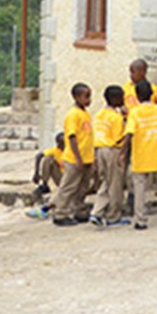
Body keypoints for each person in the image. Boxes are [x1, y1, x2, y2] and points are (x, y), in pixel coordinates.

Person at [125, 79, 157, 230]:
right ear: (151, 94)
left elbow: (129, 134)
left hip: (141, 156)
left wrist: (122, 153)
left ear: (137, 96)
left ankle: (140, 219)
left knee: (140, 188)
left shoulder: (134, 112)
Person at [51, 83, 96, 226]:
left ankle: (79, 211)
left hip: (87, 157)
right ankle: (60, 213)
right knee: (69, 186)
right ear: (77, 97)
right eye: (86, 97)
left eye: (90, 96)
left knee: (82, 187)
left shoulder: (85, 113)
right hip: (75, 158)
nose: (89, 100)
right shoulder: (73, 115)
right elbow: (71, 137)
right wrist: (78, 158)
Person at [88, 85, 131, 228]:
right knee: (115, 184)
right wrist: (127, 117)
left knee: (106, 182)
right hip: (112, 150)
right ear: (115, 99)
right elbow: (121, 137)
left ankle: (97, 212)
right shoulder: (116, 118)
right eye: (121, 97)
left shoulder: (100, 114)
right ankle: (114, 216)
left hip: (99, 150)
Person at [25, 131, 65, 219]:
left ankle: (45, 209)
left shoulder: (72, 152)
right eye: (60, 144)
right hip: (61, 177)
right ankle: (45, 184)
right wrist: (36, 173)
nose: (62, 147)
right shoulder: (56, 151)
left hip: (70, 178)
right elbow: (39, 156)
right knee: (48, 159)